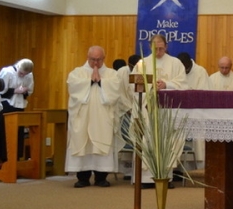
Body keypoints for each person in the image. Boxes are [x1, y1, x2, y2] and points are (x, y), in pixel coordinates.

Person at [131, 34, 187, 187]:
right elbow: (134, 85)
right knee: (147, 140)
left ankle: (164, 177)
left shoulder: (175, 63)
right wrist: (151, 87)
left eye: (162, 48)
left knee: (165, 140)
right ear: (150, 47)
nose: (159, 52)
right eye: (156, 48)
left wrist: (167, 84)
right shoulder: (142, 64)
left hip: (166, 110)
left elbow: (183, 84)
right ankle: (145, 179)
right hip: (147, 109)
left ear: (166, 47)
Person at [66, 46, 124, 188]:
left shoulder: (111, 74)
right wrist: (90, 81)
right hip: (83, 117)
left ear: (104, 58)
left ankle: (101, 177)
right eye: (93, 60)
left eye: (99, 60)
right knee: (82, 142)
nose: (96, 63)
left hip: (103, 117)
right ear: (88, 57)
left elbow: (116, 89)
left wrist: (102, 82)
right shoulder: (77, 73)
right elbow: (73, 86)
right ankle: (83, 177)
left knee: (102, 142)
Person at [0, 58, 34, 160]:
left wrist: (25, 90)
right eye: (21, 73)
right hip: (6, 105)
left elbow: (30, 90)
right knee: (4, 132)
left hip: (20, 105)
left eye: (25, 74)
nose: (22, 76)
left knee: (18, 132)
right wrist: (15, 90)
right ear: (18, 67)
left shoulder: (29, 75)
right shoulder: (7, 72)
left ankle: (16, 158)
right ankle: (4, 158)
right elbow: (0, 90)